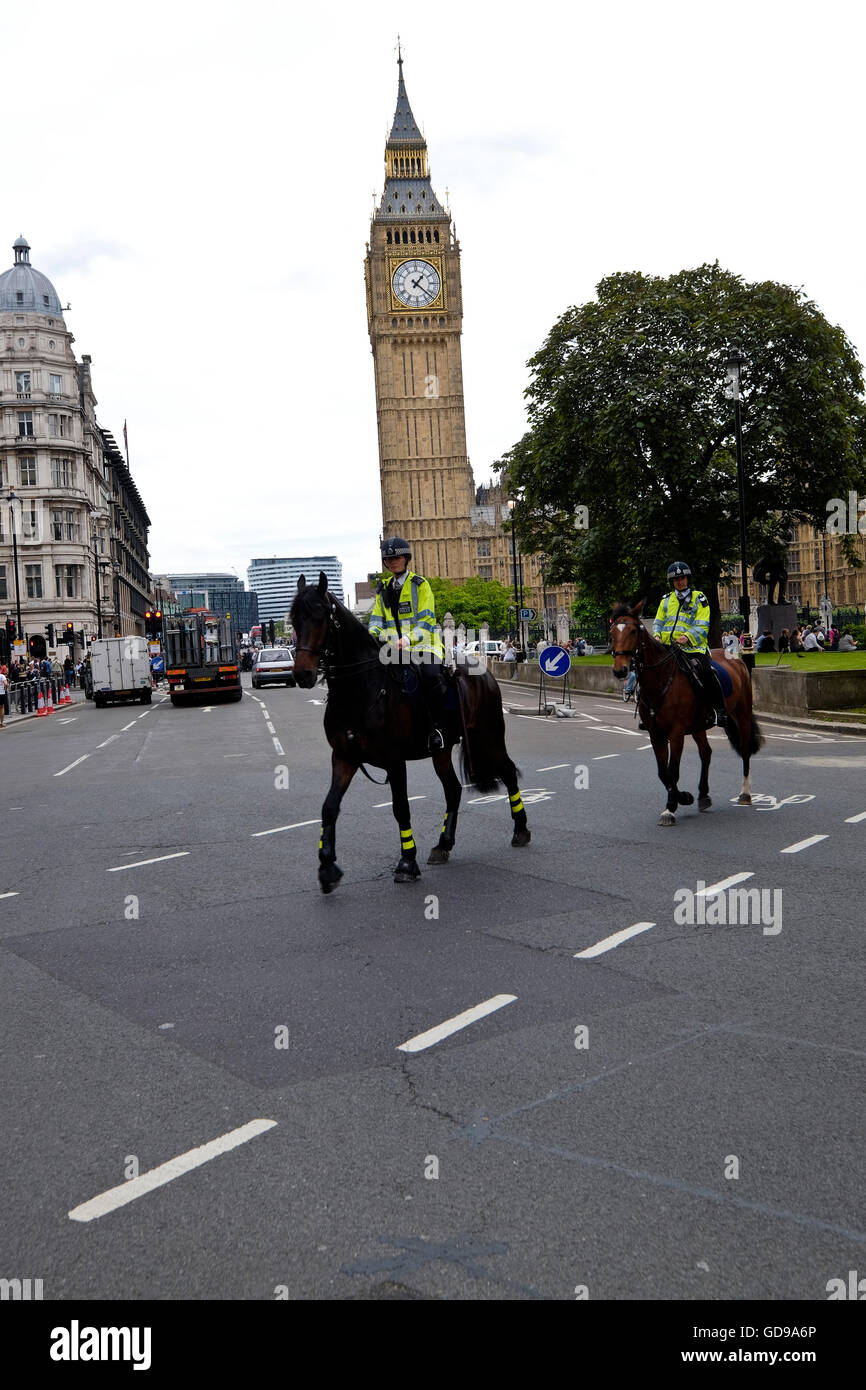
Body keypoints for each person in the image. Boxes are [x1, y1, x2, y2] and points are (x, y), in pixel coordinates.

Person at [368, 536, 448, 752]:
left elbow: (427, 621)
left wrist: (407, 640)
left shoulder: (420, 585)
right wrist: (372, 638)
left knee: (430, 677)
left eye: (397, 557)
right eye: (388, 558)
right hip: (394, 650)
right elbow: (376, 621)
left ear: (406, 558)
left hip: (424, 647)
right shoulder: (382, 588)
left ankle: (437, 729)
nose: (393, 561)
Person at [653, 561, 727, 724]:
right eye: (676, 579)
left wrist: (687, 636)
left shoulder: (699, 598)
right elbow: (658, 621)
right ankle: (651, 710)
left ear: (688, 579)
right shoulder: (665, 600)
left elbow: (702, 624)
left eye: (683, 578)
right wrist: (657, 635)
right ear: (671, 582)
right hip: (667, 648)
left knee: (707, 671)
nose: (680, 581)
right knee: (648, 669)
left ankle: (719, 710)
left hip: (693, 648)